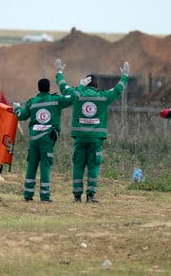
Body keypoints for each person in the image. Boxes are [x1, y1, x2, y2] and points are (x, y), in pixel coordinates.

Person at [54, 58, 129, 203]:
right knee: (93, 166)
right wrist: (125, 75)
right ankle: (91, 195)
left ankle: (76, 196)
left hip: (80, 138)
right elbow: (118, 89)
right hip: (96, 139)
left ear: (85, 83)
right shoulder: (103, 96)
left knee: (78, 166)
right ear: (97, 85)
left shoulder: (77, 93)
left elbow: (63, 87)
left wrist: (59, 72)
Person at [12, 78, 73, 203]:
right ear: (49, 88)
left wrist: (17, 108)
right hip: (47, 139)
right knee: (45, 166)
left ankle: (28, 195)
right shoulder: (56, 100)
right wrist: (80, 87)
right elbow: (73, 98)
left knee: (32, 165)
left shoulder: (32, 102)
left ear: (38, 88)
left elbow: (22, 116)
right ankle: (45, 197)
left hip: (34, 139)